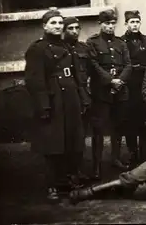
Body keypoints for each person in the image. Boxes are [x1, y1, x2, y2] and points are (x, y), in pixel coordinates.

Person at [24, 8, 89, 201]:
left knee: (72, 140)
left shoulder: (68, 46)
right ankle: (52, 185)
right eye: (53, 23)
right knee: (53, 143)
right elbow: (35, 81)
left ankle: (67, 180)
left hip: (71, 99)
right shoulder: (38, 49)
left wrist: (83, 98)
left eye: (60, 23)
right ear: (44, 26)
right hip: (53, 100)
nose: (58, 26)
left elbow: (78, 75)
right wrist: (44, 105)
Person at [87, 9, 132, 179]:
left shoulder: (121, 43)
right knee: (98, 130)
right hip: (102, 93)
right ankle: (96, 165)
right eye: (107, 23)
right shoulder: (93, 42)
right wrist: (109, 80)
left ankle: (115, 158)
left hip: (120, 92)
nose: (110, 27)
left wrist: (120, 81)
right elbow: (93, 64)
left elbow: (128, 64)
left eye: (113, 23)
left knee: (118, 126)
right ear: (100, 24)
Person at [121, 10, 146, 166]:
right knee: (130, 121)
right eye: (131, 22)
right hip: (129, 86)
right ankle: (132, 152)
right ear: (126, 24)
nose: (134, 25)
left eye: (137, 21)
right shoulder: (121, 42)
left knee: (144, 120)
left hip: (145, 84)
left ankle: (144, 153)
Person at [63, 16, 92, 184]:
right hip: (68, 96)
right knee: (69, 136)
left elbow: (89, 71)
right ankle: (68, 172)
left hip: (84, 95)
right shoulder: (62, 48)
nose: (74, 31)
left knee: (81, 136)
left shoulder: (84, 48)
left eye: (76, 28)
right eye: (70, 28)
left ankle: (77, 169)